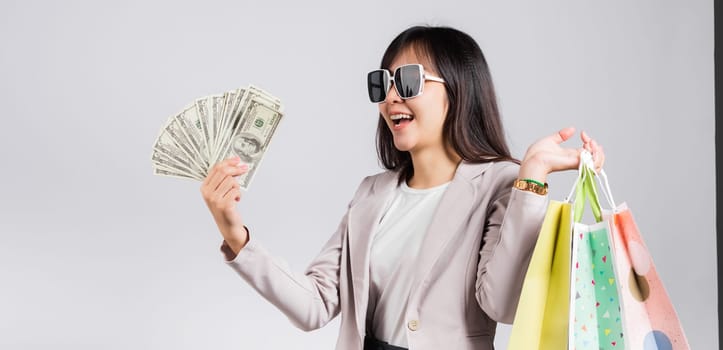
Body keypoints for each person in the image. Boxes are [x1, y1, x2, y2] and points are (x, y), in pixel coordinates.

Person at [200, 26, 605, 350]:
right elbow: (315, 306)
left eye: (409, 81)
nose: (391, 96)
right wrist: (235, 235)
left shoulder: (500, 183)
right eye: (383, 84)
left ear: (459, 90)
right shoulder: (371, 194)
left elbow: (501, 303)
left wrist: (531, 179)